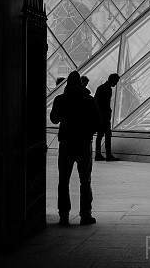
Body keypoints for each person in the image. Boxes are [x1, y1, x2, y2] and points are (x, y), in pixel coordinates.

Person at [49, 70, 101, 225]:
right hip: (84, 143)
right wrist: (88, 132)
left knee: (63, 180)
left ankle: (63, 215)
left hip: (66, 143)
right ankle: (86, 214)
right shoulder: (89, 100)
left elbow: (53, 119)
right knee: (85, 180)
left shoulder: (60, 99)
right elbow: (97, 122)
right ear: (80, 83)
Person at [94, 73, 121, 161]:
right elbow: (105, 104)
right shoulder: (107, 89)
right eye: (116, 81)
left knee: (100, 135)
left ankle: (98, 154)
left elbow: (96, 102)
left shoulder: (101, 87)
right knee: (108, 135)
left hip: (99, 115)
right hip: (104, 116)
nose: (116, 84)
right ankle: (108, 154)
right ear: (112, 80)